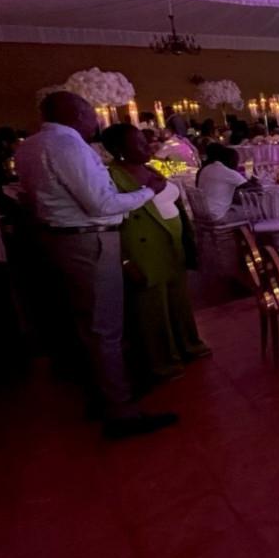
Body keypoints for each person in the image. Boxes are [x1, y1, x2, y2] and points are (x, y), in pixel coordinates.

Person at [13, 91, 178, 438]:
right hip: (89, 239)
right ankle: (121, 410)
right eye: (91, 113)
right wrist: (148, 189)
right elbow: (101, 205)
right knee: (105, 327)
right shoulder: (69, 146)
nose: (96, 120)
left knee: (86, 323)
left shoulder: (28, 146)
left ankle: (104, 394)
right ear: (75, 113)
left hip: (60, 239)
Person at [101, 124, 209, 384]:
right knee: (152, 308)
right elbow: (111, 220)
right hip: (143, 249)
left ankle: (187, 345)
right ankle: (162, 362)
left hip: (171, 244)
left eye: (145, 140)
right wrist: (125, 259)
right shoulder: (112, 177)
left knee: (178, 300)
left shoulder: (149, 167)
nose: (146, 146)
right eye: (138, 142)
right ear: (120, 150)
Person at [196, 143, 256, 222]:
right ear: (231, 161)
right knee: (257, 211)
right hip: (218, 215)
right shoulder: (227, 172)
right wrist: (254, 179)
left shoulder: (207, 168)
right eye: (236, 161)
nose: (237, 165)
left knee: (239, 204)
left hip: (203, 213)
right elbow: (253, 188)